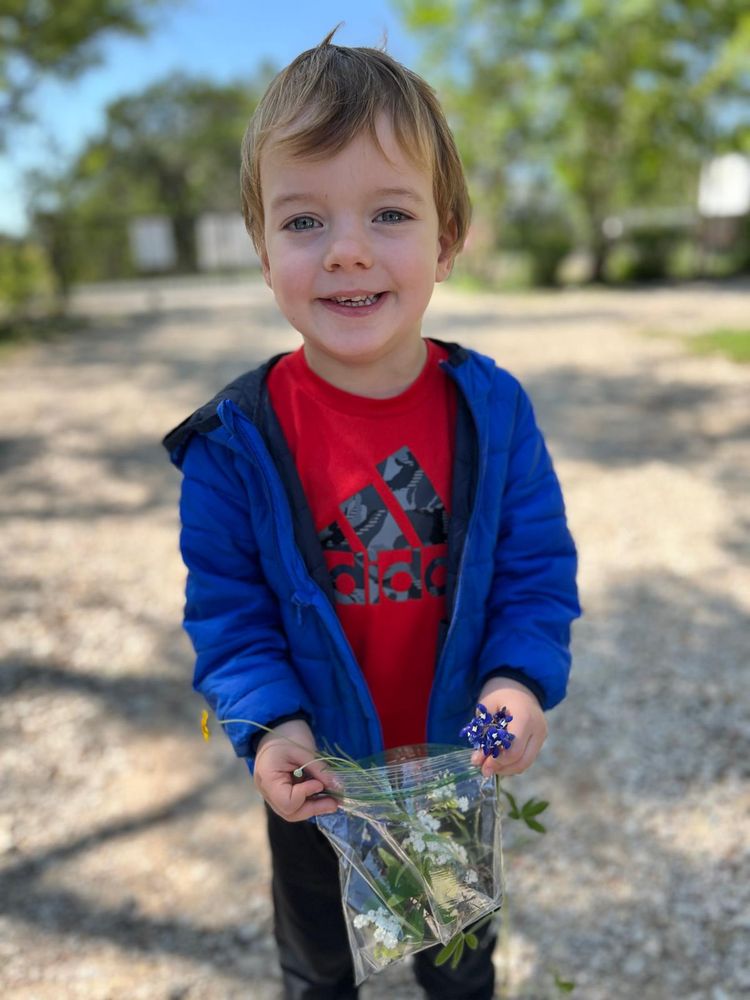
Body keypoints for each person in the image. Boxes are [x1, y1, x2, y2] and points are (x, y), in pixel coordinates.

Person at [163, 30, 580, 1000]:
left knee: (455, 959)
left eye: (387, 212)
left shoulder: (493, 408)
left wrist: (518, 680)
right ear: (262, 250)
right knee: (318, 968)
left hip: (448, 759)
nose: (347, 248)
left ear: (445, 239)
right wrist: (270, 728)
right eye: (304, 222)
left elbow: (535, 571)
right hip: (317, 769)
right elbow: (230, 615)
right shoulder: (234, 440)